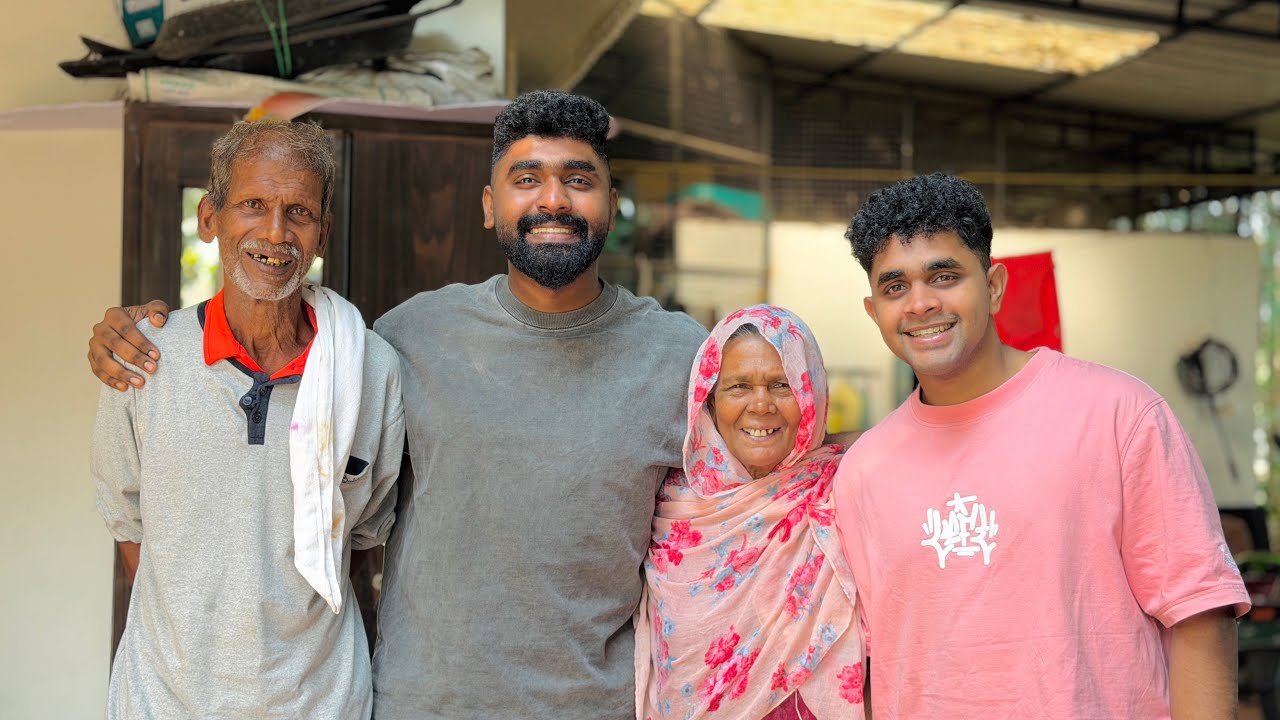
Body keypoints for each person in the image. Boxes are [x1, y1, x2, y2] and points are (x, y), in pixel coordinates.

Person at [87, 91, 709, 720]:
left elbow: (746, 514)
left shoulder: (682, 360)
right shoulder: (408, 338)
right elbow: (141, 530)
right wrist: (131, 332)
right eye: (526, 179)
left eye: (579, 180)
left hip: (589, 707)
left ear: (611, 202)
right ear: (489, 205)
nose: (553, 200)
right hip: (416, 705)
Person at [833, 173, 1249, 718]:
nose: (920, 303)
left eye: (944, 276)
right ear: (874, 312)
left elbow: (1201, 613)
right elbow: (864, 665)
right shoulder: (862, 472)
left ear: (994, 286)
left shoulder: (1118, 415)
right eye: (895, 287)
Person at [90, 119, 404, 719]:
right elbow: (130, 527)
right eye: (252, 205)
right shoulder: (144, 359)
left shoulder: (370, 370)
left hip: (319, 702)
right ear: (210, 218)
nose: (275, 232)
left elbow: (361, 539)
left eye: (299, 212)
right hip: (165, 701)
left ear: (322, 234)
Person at [636, 305, 865, 719]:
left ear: (811, 394)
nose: (761, 405)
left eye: (781, 385)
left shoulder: (847, 486)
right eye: (739, 386)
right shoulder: (669, 505)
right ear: (709, 401)